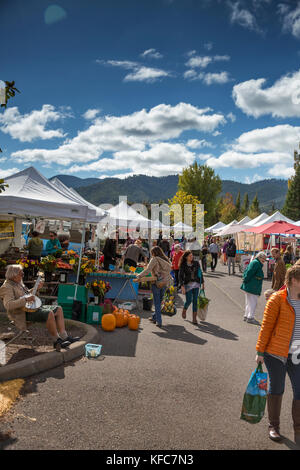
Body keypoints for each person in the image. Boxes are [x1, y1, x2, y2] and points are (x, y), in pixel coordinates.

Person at [256, 265, 300, 444]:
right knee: (277, 387)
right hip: (276, 353)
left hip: (297, 352)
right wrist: (259, 351)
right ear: (294, 281)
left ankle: (298, 428)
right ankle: (273, 426)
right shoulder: (277, 299)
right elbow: (266, 326)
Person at [0, 264, 80, 350]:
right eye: (21, 274)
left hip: (30, 308)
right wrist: (26, 300)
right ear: (14, 275)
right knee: (49, 313)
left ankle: (64, 337)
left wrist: (36, 288)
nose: (23, 275)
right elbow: (8, 305)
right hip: (21, 314)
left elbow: (27, 295)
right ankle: (57, 341)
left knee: (58, 309)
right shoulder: (7, 287)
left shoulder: (18, 283)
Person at [135, 246, 172, 328]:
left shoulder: (155, 259)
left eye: (152, 253)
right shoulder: (166, 259)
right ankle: (155, 317)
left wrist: (139, 276)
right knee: (160, 300)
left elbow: (148, 270)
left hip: (157, 282)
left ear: (154, 253)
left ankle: (159, 321)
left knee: (157, 303)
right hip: (165, 282)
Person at [179, 250, 205, 325]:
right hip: (188, 285)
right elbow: (180, 276)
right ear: (186, 257)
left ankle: (194, 318)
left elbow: (200, 273)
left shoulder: (196, 263)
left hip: (196, 284)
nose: (192, 257)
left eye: (192, 255)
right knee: (189, 300)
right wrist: (182, 286)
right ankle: (184, 309)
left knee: (195, 301)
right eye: (190, 256)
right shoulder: (183, 265)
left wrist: (203, 283)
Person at [240, 251, 267, 324]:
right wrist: (245, 280)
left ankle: (247, 316)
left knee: (249, 302)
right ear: (259, 257)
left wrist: (245, 280)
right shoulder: (256, 263)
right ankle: (250, 317)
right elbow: (249, 272)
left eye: (265, 259)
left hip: (251, 286)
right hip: (252, 286)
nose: (264, 261)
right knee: (253, 303)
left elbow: (248, 272)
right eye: (263, 259)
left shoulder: (256, 262)